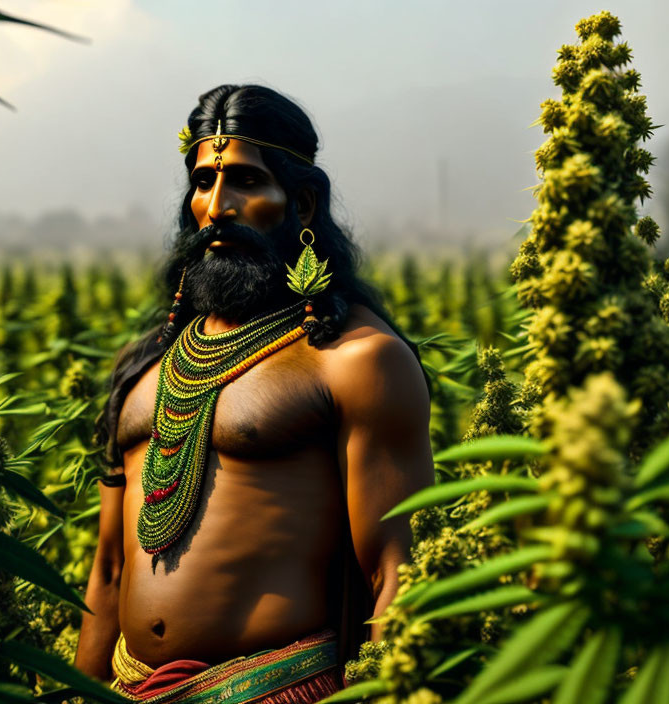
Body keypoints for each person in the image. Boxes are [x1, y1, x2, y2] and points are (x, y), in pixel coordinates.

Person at [74, 84, 434, 703]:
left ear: (301, 200)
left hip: (278, 689)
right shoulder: (142, 370)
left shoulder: (357, 359)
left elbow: (397, 570)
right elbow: (107, 572)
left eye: (243, 180)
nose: (217, 206)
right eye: (203, 181)